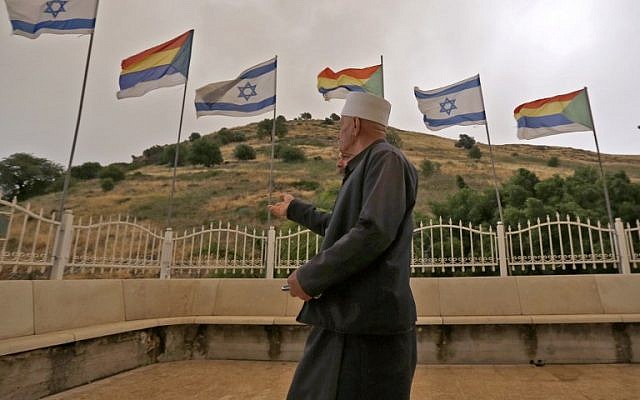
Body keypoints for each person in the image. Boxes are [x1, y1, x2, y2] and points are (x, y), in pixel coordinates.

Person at [268, 92, 418, 400]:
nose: (338, 132)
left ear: (355, 124)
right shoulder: (368, 164)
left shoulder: (385, 158)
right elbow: (342, 226)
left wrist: (309, 278)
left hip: (366, 326)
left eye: (341, 124)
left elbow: (373, 231)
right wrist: (295, 209)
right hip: (348, 319)